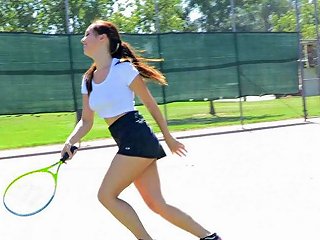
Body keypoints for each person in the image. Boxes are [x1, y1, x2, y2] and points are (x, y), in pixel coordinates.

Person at [61, 20, 222, 240]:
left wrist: (168, 137)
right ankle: (210, 237)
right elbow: (86, 121)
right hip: (130, 140)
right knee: (157, 203)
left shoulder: (124, 69)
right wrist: (70, 141)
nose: (82, 39)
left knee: (106, 196)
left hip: (137, 137)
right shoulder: (88, 80)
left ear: (103, 38)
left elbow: (150, 104)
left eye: (87, 34)